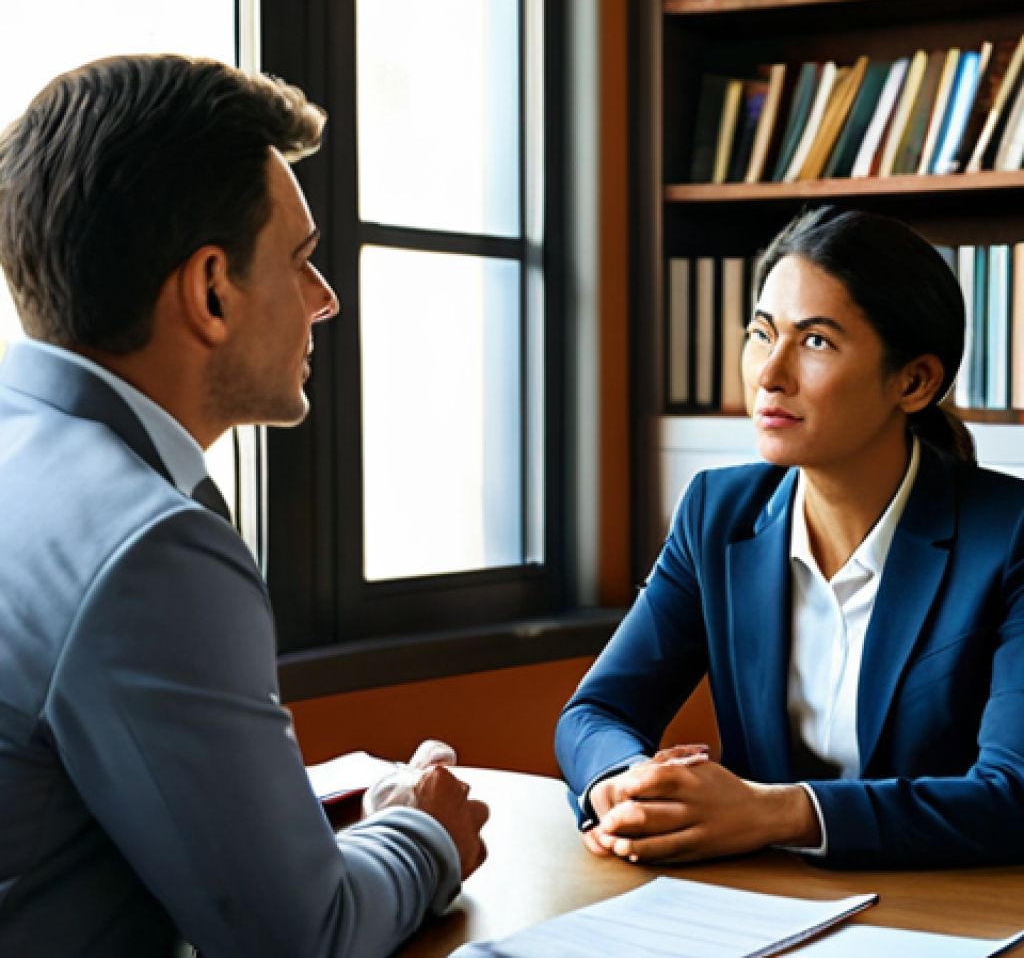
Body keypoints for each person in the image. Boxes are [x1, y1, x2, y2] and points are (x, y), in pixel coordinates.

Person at [0, 55, 488, 957]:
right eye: (302, 260)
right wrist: (423, 832)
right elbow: (305, 939)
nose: (326, 300)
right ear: (212, 290)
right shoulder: (149, 551)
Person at [556, 206, 1024, 870]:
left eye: (816, 342)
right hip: (768, 911)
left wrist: (775, 811)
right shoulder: (718, 513)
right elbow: (595, 712)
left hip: (955, 916)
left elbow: (1012, 798)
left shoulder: (1010, 536)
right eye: (761, 332)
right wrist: (625, 786)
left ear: (914, 381)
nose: (768, 374)